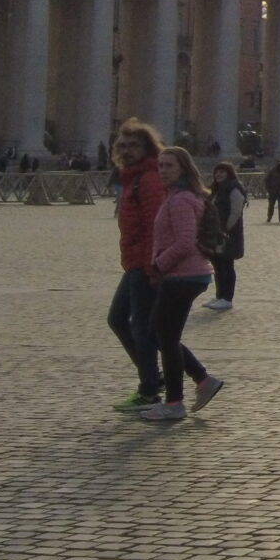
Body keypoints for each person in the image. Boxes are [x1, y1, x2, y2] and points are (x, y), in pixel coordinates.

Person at [135, 144, 225, 420]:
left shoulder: (180, 200)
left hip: (182, 275)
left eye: (169, 165)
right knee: (160, 335)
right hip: (186, 275)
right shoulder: (177, 196)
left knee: (165, 337)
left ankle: (175, 402)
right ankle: (201, 380)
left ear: (183, 168)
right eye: (160, 165)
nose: (163, 171)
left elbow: (185, 242)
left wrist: (159, 265)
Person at [107, 120, 168, 412]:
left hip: (145, 264)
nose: (127, 151)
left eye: (134, 146)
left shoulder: (149, 179)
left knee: (142, 328)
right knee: (121, 320)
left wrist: (150, 267)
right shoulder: (132, 177)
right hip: (133, 260)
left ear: (147, 148)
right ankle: (155, 378)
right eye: (123, 145)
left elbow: (156, 226)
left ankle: (150, 388)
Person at [202, 160, 247, 310]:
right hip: (215, 234)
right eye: (217, 172)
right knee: (217, 265)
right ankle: (219, 295)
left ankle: (227, 298)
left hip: (228, 235)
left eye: (222, 172)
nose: (218, 174)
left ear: (229, 173)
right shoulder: (216, 189)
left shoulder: (234, 188)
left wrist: (225, 229)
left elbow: (236, 211)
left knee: (227, 265)